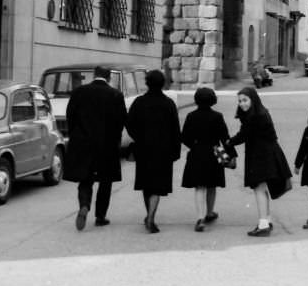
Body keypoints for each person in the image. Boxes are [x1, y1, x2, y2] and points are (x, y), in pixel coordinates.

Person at [63, 65, 127, 231]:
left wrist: (75, 136)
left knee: (85, 179)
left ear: (94, 75)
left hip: (83, 143)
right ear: (109, 77)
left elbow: (70, 116)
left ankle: (84, 205)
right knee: (106, 182)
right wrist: (117, 140)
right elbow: (121, 121)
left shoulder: (79, 92)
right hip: (107, 145)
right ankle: (100, 216)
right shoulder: (116, 95)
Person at [225, 85, 292, 237]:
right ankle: (266, 221)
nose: (242, 104)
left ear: (253, 99)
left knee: (259, 189)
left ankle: (263, 225)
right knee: (262, 188)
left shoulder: (256, 116)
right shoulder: (257, 113)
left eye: (245, 100)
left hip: (262, 155)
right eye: (240, 101)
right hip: (265, 154)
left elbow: (244, 135)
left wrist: (230, 142)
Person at [126, 68, 181, 233]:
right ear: (163, 83)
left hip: (143, 148)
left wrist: (138, 137)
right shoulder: (169, 104)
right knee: (158, 186)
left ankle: (148, 215)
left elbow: (129, 124)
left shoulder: (139, 102)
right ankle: (151, 216)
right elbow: (175, 129)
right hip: (163, 150)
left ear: (147, 83)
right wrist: (175, 150)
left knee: (146, 184)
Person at [180, 86, 230, 231]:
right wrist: (230, 155)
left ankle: (199, 218)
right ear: (213, 100)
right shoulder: (217, 116)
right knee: (212, 185)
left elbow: (185, 137)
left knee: (199, 186)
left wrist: (194, 146)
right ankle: (209, 212)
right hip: (215, 151)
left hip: (197, 152)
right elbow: (224, 137)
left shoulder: (191, 116)